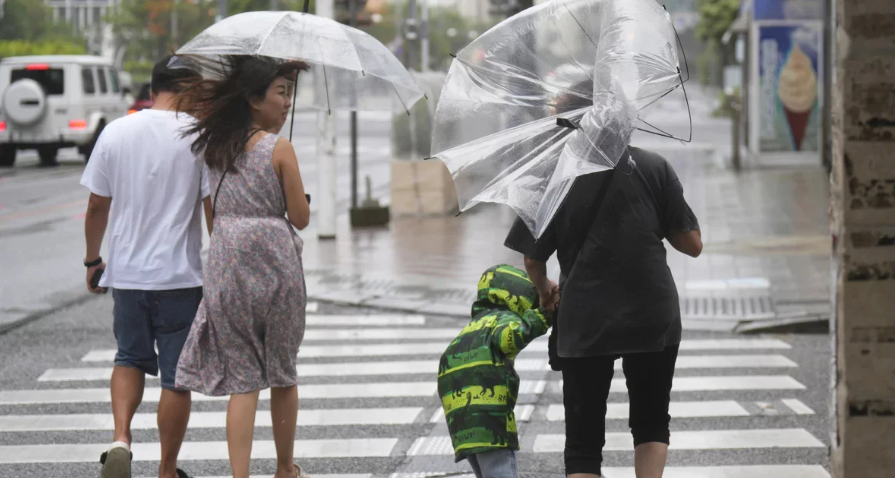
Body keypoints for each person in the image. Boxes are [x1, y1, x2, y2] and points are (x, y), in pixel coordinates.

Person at [504, 145, 702, 478]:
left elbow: (531, 259)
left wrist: (544, 290)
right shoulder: (653, 166)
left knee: (583, 442)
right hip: (651, 309)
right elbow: (692, 245)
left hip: (584, 314)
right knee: (651, 420)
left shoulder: (552, 174)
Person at [172, 55, 312, 478]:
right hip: (275, 261)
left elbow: (214, 213)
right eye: (281, 92)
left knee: (243, 379)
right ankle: (285, 469)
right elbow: (300, 217)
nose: (287, 102)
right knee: (282, 372)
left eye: (289, 93)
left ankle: (240, 475)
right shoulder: (279, 148)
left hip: (226, 260)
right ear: (254, 98)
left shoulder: (216, 145)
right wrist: (301, 202)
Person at [81, 57, 207, 478]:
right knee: (175, 378)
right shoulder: (199, 138)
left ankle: (121, 439)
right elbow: (213, 212)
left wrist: (93, 259)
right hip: (179, 279)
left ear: (154, 88)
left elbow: (98, 204)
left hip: (128, 277)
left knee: (129, 358)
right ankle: (167, 470)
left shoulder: (117, 131)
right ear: (188, 89)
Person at [437, 264, 554, 478]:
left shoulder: (471, 329)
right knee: (500, 472)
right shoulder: (501, 319)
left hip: (460, 421)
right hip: (489, 416)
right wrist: (544, 316)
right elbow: (510, 338)